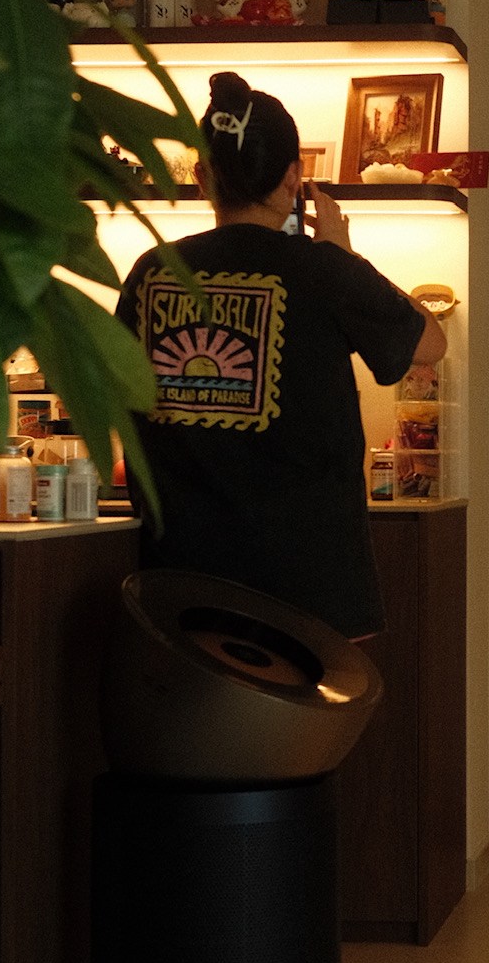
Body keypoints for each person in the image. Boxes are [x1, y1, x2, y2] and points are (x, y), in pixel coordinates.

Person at [116, 70, 448, 636]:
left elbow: (116, 394)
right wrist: (345, 255)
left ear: (202, 176)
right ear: (296, 176)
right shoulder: (322, 268)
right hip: (308, 586)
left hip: (183, 584)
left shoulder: (154, 270)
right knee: (305, 725)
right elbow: (429, 343)